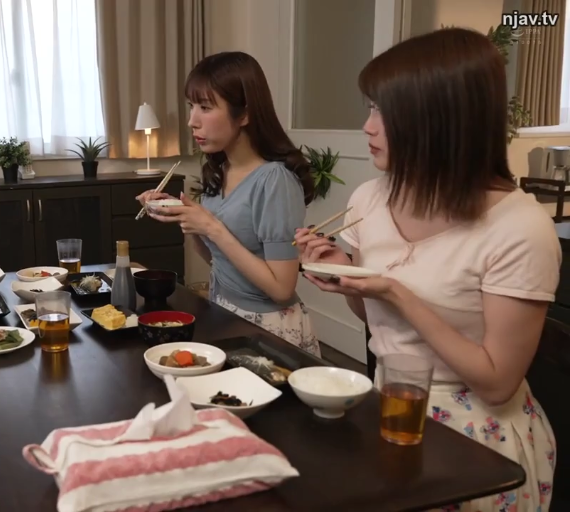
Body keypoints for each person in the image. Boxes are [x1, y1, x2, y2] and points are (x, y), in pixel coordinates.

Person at [295, 28, 557, 511]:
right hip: (387, 410)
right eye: (370, 108)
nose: (367, 127)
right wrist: (348, 278)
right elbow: (374, 319)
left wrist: (396, 292)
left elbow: (497, 382)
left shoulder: (520, 227)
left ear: (439, 119)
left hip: (477, 441)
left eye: (383, 111)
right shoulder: (370, 199)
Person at [138, 51, 320, 357]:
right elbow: (218, 259)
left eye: (206, 107)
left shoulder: (275, 180)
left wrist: (212, 227)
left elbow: (281, 288)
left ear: (244, 114)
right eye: (191, 106)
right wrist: (186, 218)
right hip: (224, 312)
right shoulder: (219, 171)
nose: (192, 121)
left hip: (269, 329)